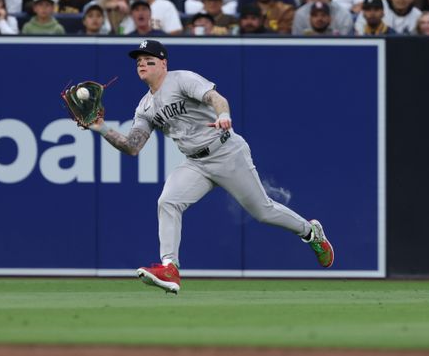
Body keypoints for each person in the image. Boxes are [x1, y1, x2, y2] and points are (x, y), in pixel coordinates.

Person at [84, 39, 334, 293]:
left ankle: (310, 232)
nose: (143, 64)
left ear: (163, 64)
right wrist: (101, 127)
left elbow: (216, 97)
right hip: (196, 163)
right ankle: (170, 268)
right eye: (139, 61)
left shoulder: (181, 79)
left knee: (263, 211)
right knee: (168, 202)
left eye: (149, 59)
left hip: (226, 151)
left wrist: (223, 115)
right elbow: (133, 146)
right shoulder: (144, 107)